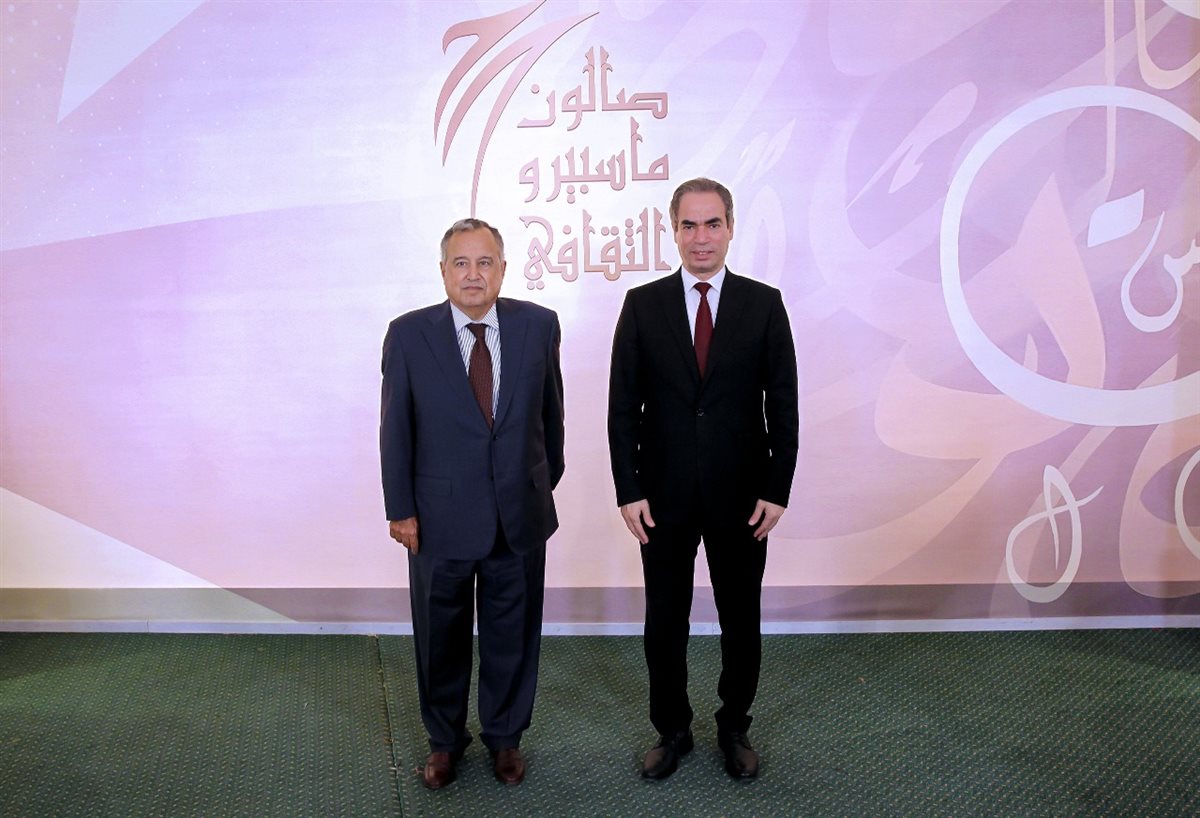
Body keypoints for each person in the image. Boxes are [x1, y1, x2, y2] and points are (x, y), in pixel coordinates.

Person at [608, 178, 798, 781]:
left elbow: (784, 405)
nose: (701, 237)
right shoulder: (642, 305)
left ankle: (734, 725)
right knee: (665, 620)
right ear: (674, 231)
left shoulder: (764, 305)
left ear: (731, 228)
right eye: (689, 225)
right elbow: (622, 407)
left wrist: (777, 488)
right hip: (661, 498)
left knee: (741, 619)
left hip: (743, 497)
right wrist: (628, 489)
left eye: (712, 223)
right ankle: (672, 729)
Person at [380, 217, 565, 789]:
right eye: (461, 263)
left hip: (518, 517)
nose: (473, 274)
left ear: (503, 269)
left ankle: (505, 738)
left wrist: (537, 486)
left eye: (485, 263)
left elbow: (551, 417)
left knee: (514, 634)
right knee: (441, 638)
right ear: (443, 271)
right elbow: (395, 430)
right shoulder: (409, 336)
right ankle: (444, 742)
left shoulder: (539, 326)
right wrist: (401, 509)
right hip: (437, 521)